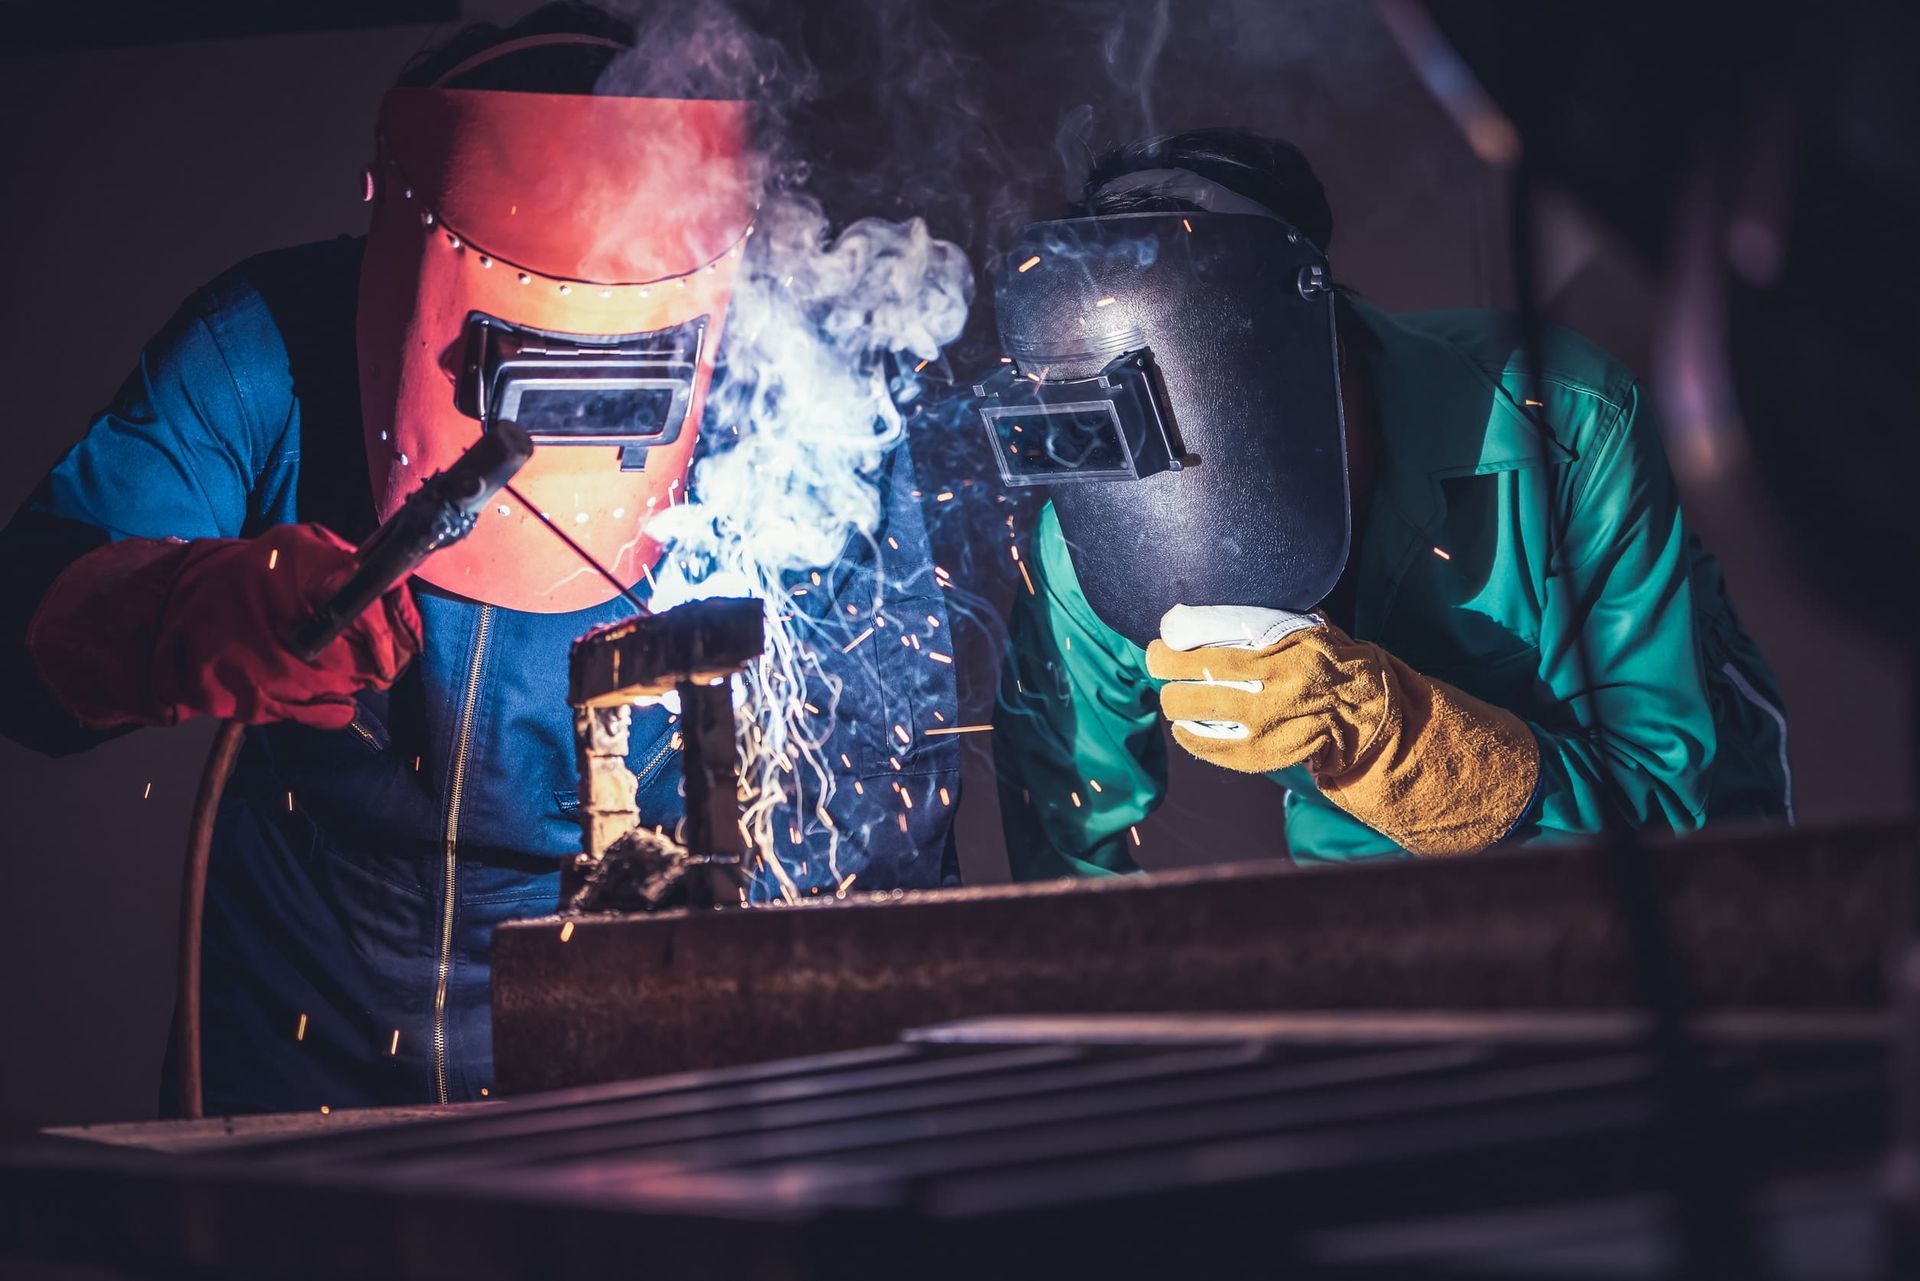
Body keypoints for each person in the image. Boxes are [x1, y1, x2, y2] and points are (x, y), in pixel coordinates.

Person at [0, 4, 958, 1115]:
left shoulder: (796, 400)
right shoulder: (266, 343)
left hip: (640, 996)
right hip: (307, 1001)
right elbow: (25, 634)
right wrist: (184, 611)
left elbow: (891, 779)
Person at [990, 128, 1789, 876]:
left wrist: (1397, 742)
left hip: (1675, 899)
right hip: (1368, 904)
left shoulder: (1570, 423)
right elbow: (1064, 855)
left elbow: (1661, 805)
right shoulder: (1095, 539)